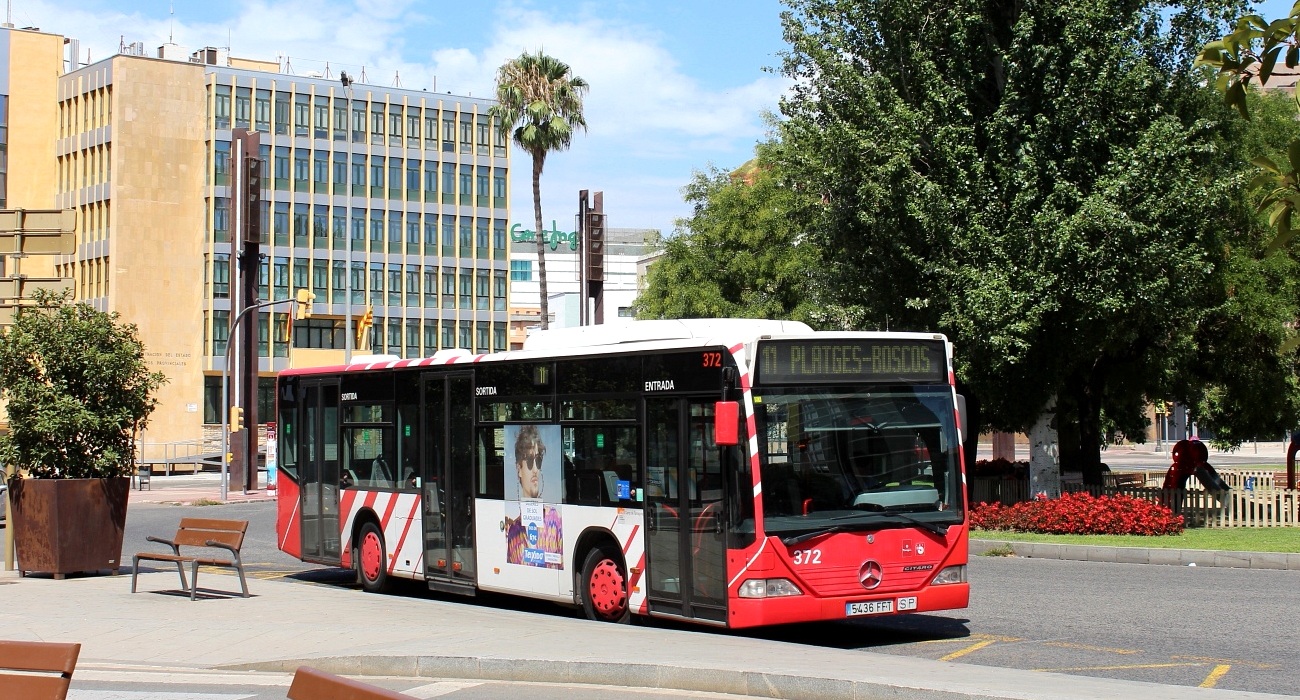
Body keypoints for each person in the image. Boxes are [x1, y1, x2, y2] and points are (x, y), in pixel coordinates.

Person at [514, 424, 545, 500]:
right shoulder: (511, 512)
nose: (535, 470)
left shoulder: (552, 512)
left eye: (538, 461)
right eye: (529, 461)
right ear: (519, 469)